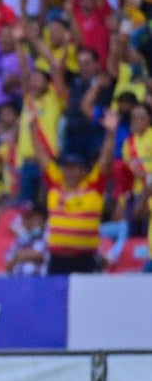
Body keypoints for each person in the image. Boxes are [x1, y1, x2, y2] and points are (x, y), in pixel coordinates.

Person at [32, 108, 117, 274]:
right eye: (66, 168)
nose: (69, 172)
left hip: (85, 260)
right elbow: (42, 158)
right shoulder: (56, 184)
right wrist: (32, 128)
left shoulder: (93, 186)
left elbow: (105, 160)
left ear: (83, 171)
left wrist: (111, 133)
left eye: (74, 168)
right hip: (57, 260)